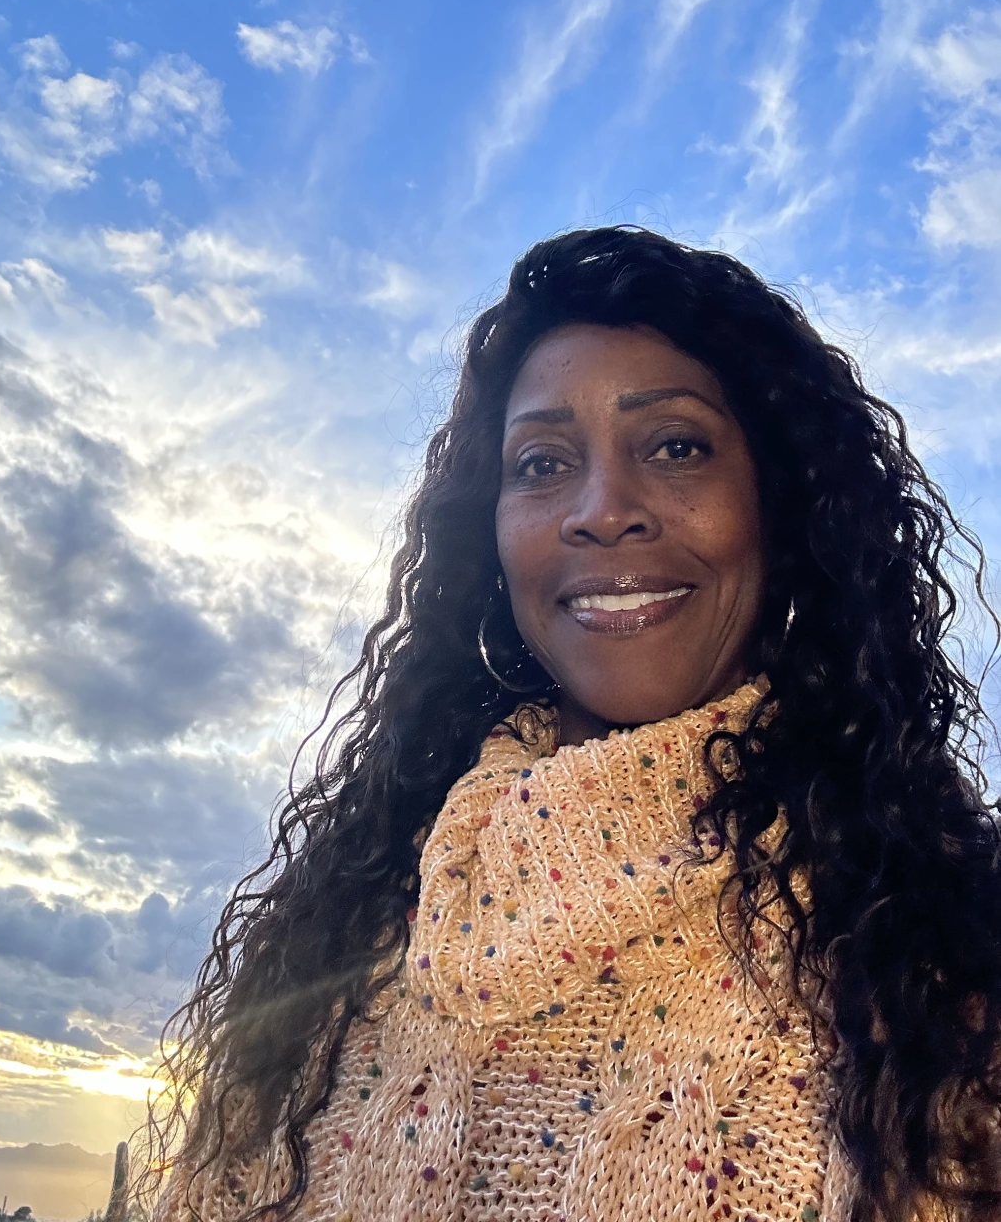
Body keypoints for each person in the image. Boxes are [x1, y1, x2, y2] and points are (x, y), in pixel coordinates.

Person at [144, 227, 1001, 1222]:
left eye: (675, 446)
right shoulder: (339, 945)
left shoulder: (935, 968)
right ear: (492, 536)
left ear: (782, 503)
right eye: (543, 460)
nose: (603, 509)